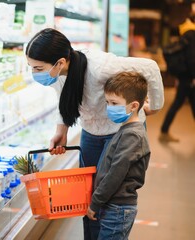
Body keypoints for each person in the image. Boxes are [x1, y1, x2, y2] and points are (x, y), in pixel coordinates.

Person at [25, 28, 164, 240]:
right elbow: (65, 98)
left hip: (120, 132)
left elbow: (151, 67)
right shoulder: (59, 74)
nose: (35, 74)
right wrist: (61, 130)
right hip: (91, 132)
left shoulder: (100, 67)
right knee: (87, 195)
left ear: (60, 62)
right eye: (31, 68)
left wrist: (155, 105)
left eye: (38, 68)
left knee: (110, 192)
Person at [86, 72, 150, 240]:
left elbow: (116, 173)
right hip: (113, 205)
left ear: (134, 105)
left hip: (118, 208)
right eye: (107, 102)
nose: (109, 107)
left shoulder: (132, 136)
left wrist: (96, 202)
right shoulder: (126, 129)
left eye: (114, 103)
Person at [159, 13, 195, 142]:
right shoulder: (192, 34)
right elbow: (191, 58)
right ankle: (163, 131)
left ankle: (164, 131)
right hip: (188, 77)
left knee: (189, 103)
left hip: (185, 76)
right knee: (178, 103)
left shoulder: (186, 32)